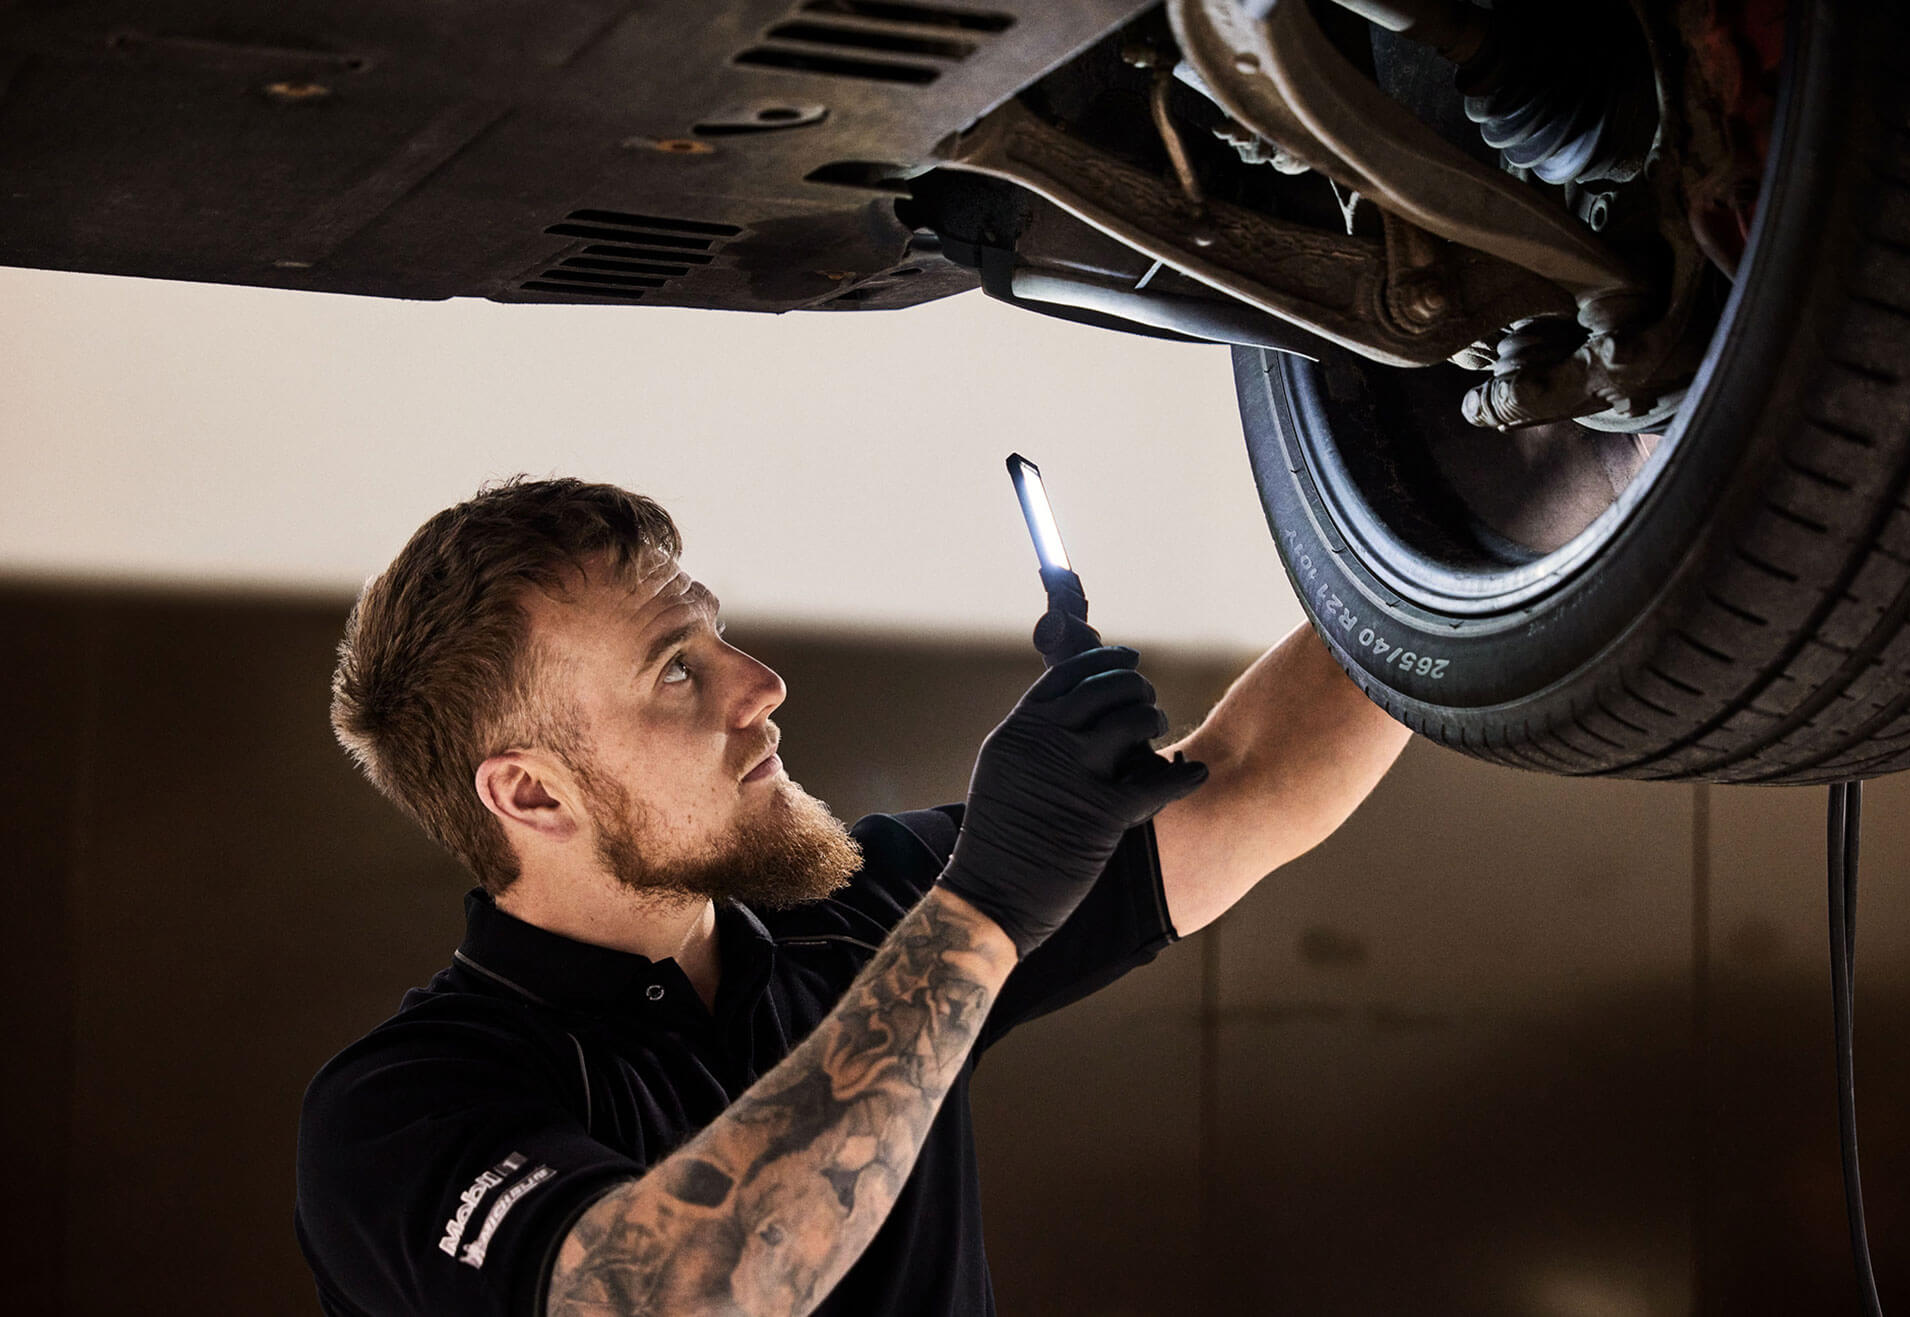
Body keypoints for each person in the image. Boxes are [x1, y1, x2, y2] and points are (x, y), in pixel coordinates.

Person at [295, 476, 1408, 1317]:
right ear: (533, 794)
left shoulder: (859, 916)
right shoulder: (403, 1108)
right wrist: (978, 913)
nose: (761, 684)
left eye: (717, 634)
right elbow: (674, 1297)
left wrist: (1463, 559)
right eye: (676, 670)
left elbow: (1252, 783)